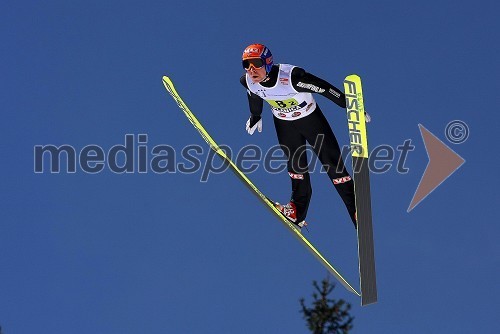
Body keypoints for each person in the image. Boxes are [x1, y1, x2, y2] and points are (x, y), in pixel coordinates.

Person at [240, 43, 368, 229]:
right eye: (246, 65)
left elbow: (324, 89)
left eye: (256, 63)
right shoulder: (249, 81)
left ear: (268, 63)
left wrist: (350, 106)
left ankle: (356, 210)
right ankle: (297, 211)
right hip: (284, 125)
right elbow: (254, 96)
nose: (251, 70)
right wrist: (255, 116)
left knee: (333, 166)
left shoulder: (293, 78)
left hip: (310, 121)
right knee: (295, 169)